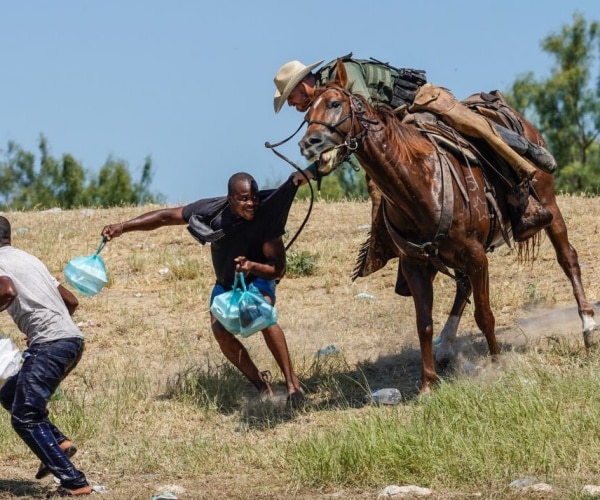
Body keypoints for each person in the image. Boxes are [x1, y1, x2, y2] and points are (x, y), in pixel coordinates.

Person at [273, 54, 557, 243]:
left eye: (290, 96)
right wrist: (313, 170)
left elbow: (362, 121)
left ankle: (523, 171)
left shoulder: (341, 77)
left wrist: (314, 169)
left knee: (472, 129)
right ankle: (400, 244)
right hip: (396, 128)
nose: (291, 104)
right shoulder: (324, 104)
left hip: (419, 103)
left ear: (303, 84)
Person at [100, 173, 305, 403]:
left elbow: (278, 269)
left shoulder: (266, 218)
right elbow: (166, 217)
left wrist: (252, 266)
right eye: (244, 198)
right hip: (226, 284)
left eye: (255, 198)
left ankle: (292, 386)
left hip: (257, 278)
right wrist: (122, 227)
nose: (252, 204)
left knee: (261, 313)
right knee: (220, 332)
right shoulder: (211, 210)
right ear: (230, 199)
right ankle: (261, 387)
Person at [0, 216, 92, 497]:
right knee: (10, 395)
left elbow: (6, 290)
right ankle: (58, 442)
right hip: (71, 340)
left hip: (51, 344)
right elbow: (71, 300)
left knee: (25, 416)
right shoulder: (28, 259)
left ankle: (74, 482)